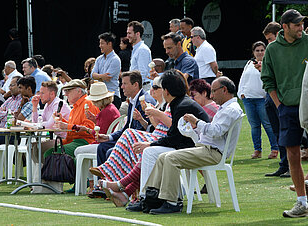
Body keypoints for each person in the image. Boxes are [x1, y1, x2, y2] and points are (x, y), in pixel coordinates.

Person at [98, 70, 210, 208]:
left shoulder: (182, 105)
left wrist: (150, 144)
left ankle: (141, 195)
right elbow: (174, 136)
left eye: (160, 89)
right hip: (190, 145)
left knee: (149, 151)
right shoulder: (180, 103)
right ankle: (132, 192)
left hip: (196, 149)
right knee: (146, 150)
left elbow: (173, 137)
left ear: (167, 91)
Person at [138, 76, 243, 214]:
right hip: (207, 149)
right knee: (163, 157)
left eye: (213, 91)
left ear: (224, 90)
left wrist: (197, 122)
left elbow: (216, 131)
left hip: (213, 152)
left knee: (170, 158)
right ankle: (150, 198)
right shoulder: (227, 108)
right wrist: (195, 127)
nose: (211, 95)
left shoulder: (231, 110)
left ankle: (172, 202)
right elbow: (214, 131)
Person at [261, 9, 308, 218]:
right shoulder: (272, 49)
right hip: (287, 108)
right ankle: (302, 202)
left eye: (302, 24)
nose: (301, 28)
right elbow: (267, 80)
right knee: (292, 155)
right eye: (297, 24)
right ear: (285, 27)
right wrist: (279, 105)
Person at [92, 70, 156, 173]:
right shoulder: (132, 101)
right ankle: (102, 184)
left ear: (135, 85)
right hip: (128, 139)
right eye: (122, 84)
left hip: (139, 142)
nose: (122, 87)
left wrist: (140, 119)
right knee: (102, 147)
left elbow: (150, 128)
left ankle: (113, 183)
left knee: (110, 151)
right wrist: (109, 137)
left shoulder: (145, 101)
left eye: (124, 84)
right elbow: (127, 127)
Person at [238, 41, 279, 159]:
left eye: (262, 50)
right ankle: (257, 150)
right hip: (248, 99)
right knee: (254, 126)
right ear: (253, 52)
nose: (260, 52)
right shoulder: (249, 63)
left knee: (268, 124)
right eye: (257, 50)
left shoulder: (268, 63)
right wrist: (241, 93)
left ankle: (274, 148)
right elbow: (243, 79)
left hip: (262, 99)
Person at [44, 79, 100, 162]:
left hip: (85, 141)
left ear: (79, 91)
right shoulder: (75, 106)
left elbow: (89, 129)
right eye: (65, 91)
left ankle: (69, 174)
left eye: (68, 91)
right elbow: (74, 126)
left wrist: (66, 125)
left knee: (51, 153)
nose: (66, 94)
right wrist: (62, 120)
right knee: (48, 152)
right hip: (74, 141)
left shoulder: (87, 104)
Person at [261, 21, 290, 177]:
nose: (268, 43)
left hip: (280, 98)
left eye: (270, 39)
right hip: (270, 97)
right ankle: (283, 165)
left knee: (287, 133)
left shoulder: (285, 52)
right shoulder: (272, 52)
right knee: (278, 133)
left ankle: (290, 167)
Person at [30, 81, 71, 191]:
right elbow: (37, 122)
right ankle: (41, 181)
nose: (39, 95)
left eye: (42, 93)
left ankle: (45, 182)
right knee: (34, 147)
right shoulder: (48, 105)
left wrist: (40, 124)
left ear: (52, 94)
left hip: (66, 139)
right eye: (39, 92)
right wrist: (34, 107)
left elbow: (48, 125)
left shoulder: (58, 104)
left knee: (38, 147)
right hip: (57, 138)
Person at [91, 32, 122, 109]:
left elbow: (107, 78)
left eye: (102, 43)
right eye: (100, 43)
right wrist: (101, 76)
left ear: (110, 44)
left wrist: (97, 76)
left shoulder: (115, 59)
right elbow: (92, 75)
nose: (100, 46)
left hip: (112, 96)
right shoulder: (99, 59)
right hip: (100, 96)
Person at [127, 21, 152, 91]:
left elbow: (143, 73)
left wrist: (134, 90)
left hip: (141, 89)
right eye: (127, 33)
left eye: (129, 33)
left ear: (137, 34)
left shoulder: (142, 49)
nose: (127, 36)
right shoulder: (136, 49)